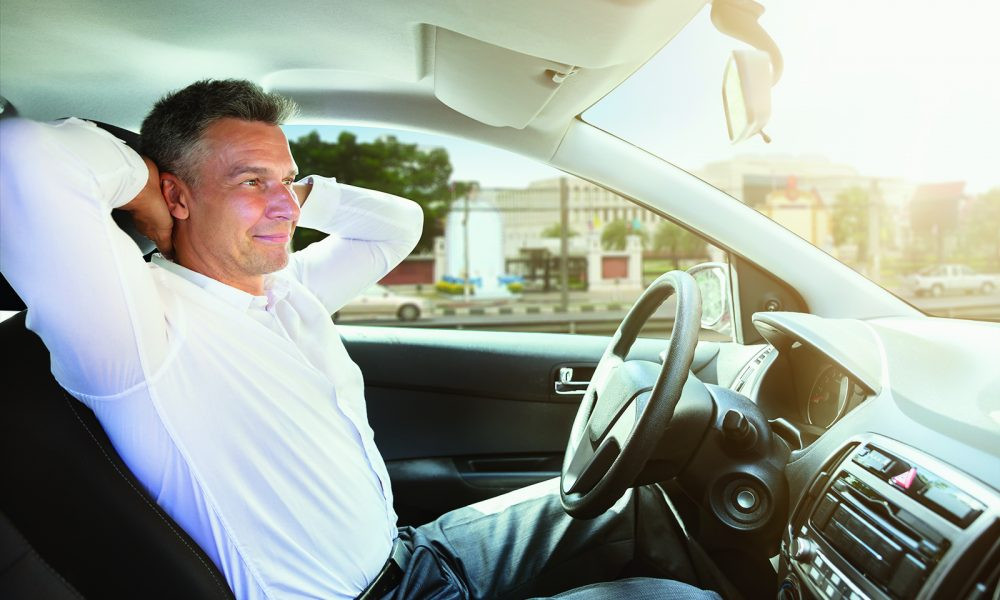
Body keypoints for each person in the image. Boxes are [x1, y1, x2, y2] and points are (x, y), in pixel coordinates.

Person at [0, 79, 724, 599]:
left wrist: (282, 197)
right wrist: (147, 189)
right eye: (251, 181)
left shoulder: (289, 293)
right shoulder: (138, 330)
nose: (285, 205)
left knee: (641, 503)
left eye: (288, 180)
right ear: (177, 195)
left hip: (417, 555)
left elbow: (398, 223)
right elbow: (20, 159)